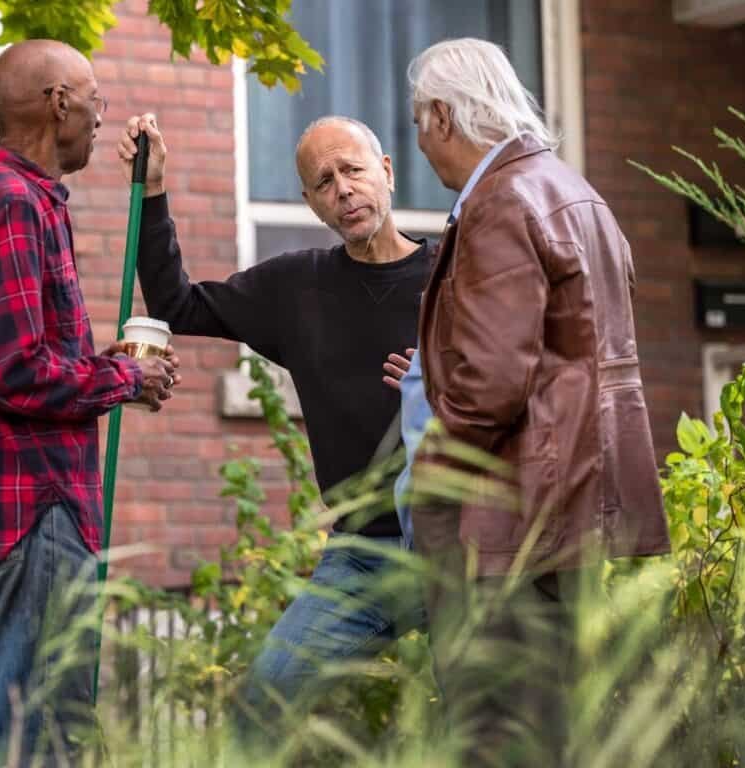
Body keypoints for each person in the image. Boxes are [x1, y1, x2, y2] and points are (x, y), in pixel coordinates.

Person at [0, 39, 181, 767]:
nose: (101, 114)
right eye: (94, 96)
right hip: (30, 509)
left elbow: (13, 360)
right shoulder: (13, 204)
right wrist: (125, 381)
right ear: (58, 101)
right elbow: (16, 372)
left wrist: (102, 364)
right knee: (40, 735)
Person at [116, 114, 430, 742]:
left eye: (353, 170)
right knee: (262, 707)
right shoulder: (298, 287)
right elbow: (178, 305)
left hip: (459, 545)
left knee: (487, 723)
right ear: (311, 203)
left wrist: (442, 380)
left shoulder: (452, 277)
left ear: (387, 173)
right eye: (323, 181)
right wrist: (151, 192)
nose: (342, 188)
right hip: (363, 555)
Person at [403, 38, 671, 765]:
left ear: (442, 117)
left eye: (419, 124)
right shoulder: (577, 192)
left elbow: (490, 382)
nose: (420, 144)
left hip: (513, 522)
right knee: (561, 732)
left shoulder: (499, 203)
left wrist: (428, 478)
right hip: (580, 512)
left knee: (497, 735)